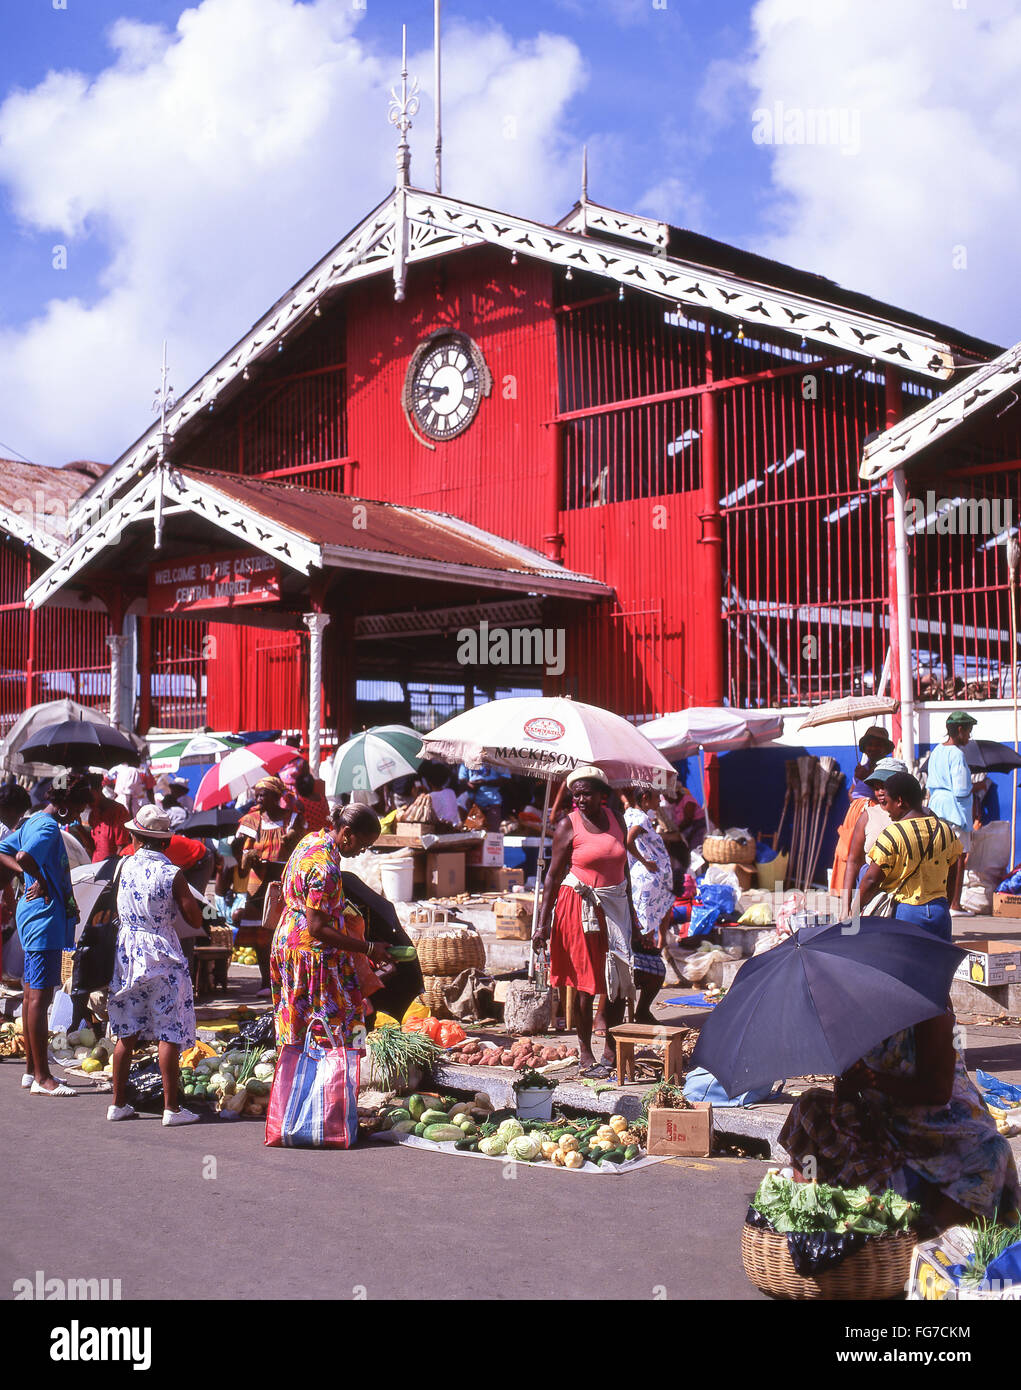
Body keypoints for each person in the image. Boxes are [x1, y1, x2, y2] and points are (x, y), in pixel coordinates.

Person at [780, 1010, 1020, 1232]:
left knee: (991, 1151)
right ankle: (806, 1211)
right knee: (809, 1105)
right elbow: (850, 1089)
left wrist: (874, 1080)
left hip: (943, 1124)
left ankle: (932, 1240)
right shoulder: (856, 1018)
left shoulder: (932, 1013)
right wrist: (848, 1087)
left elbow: (938, 1092)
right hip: (884, 1119)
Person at [532, 766, 642, 1076]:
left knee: (618, 980)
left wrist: (632, 912)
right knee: (586, 983)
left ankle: (611, 1047)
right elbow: (552, 877)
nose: (580, 799)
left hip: (614, 905)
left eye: (586, 793)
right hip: (578, 906)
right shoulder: (568, 825)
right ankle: (584, 1052)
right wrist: (542, 924)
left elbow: (625, 872)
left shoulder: (617, 820)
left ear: (602, 795)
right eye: (575, 794)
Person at [106, 805, 205, 1125]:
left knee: (127, 1030)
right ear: (165, 842)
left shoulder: (123, 865)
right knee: (168, 1029)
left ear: (136, 837)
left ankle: (118, 1103)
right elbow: (194, 916)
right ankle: (171, 1109)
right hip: (161, 951)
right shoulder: (171, 873)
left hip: (128, 950)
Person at [270, 804, 391, 1050]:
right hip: (312, 956)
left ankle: (298, 1081)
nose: (361, 851)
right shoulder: (326, 869)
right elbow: (317, 927)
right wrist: (368, 948)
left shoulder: (311, 840)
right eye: (362, 845)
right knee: (330, 1031)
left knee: (297, 1027)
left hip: (286, 943)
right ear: (347, 832)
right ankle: (328, 1084)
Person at [0, 782, 89, 1095]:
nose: (79, 816)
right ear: (66, 805)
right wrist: (36, 878)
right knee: (41, 997)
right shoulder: (48, 827)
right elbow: (22, 855)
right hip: (43, 919)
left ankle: (30, 1069)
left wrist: (48, 885)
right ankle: (42, 1078)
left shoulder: (34, 820)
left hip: (39, 916)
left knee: (29, 993)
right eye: (78, 809)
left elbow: (4, 851)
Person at [849, 771, 963, 942]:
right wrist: (945, 903)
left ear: (900, 801)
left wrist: (854, 913)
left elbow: (871, 880)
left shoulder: (893, 834)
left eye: (887, 802)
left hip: (907, 913)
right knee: (939, 965)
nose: (886, 809)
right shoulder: (944, 830)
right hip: (940, 912)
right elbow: (953, 870)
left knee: (904, 966)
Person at [232, 777, 304, 996]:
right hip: (258, 883)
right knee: (261, 937)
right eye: (257, 795)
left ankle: (286, 981)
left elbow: (298, 844)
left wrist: (291, 839)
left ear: (276, 797)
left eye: (264, 795)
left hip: (283, 882)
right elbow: (240, 853)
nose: (259, 799)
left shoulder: (292, 819)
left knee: (283, 933)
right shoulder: (252, 820)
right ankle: (266, 981)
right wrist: (248, 856)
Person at [621, 787, 674, 1013]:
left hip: (643, 880)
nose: (659, 801)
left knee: (648, 918)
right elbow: (629, 840)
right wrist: (645, 862)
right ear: (645, 798)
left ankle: (655, 944)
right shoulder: (640, 817)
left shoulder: (630, 813)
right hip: (647, 880)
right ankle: (653, 950)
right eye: (655, 797)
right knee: (649, 921)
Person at [829, 727, 895, 894]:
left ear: (885, 749)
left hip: (871, 814)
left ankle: (863, 894)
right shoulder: (862, 767)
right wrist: (858, 779)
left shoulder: (884, 769)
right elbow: (852, 793)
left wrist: (866, 777)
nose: (873, 749)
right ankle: (848, 896)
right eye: (870, 745)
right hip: (854, 815)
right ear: (865, 748)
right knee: (847, 854)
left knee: (863, 856)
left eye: (878, 745)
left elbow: (882, 794)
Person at [925, 712, 977, 911]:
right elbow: (962, 788)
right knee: (958, 858)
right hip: (955, 811)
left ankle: (940, 901)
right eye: (968, 732)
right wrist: (976, 788)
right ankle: (954, 903)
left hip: (937, 807)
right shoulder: (957, 754)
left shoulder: (936, 751)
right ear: (960, 730)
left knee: (940, 858)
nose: (969, 737)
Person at [838, 756, 905, 907]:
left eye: (885, 786)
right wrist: (846, 907)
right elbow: (853, 861)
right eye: (876, 787)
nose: (880, 792)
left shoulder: (919, 816)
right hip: (872, 897)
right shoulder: (868, 816)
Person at [86, 774, 131, 862]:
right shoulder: (93, 814)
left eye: (90, 797)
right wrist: (79, 829)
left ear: (99, 790)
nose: (88, 802)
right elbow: (93, 846)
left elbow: (122, 848)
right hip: (96, 866)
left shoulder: (118, 811)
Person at [422, 760, 459, 828]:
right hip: (455, 827)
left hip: (441, 829)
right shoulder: (450, 792)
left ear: (428, 782)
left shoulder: (429, 797)